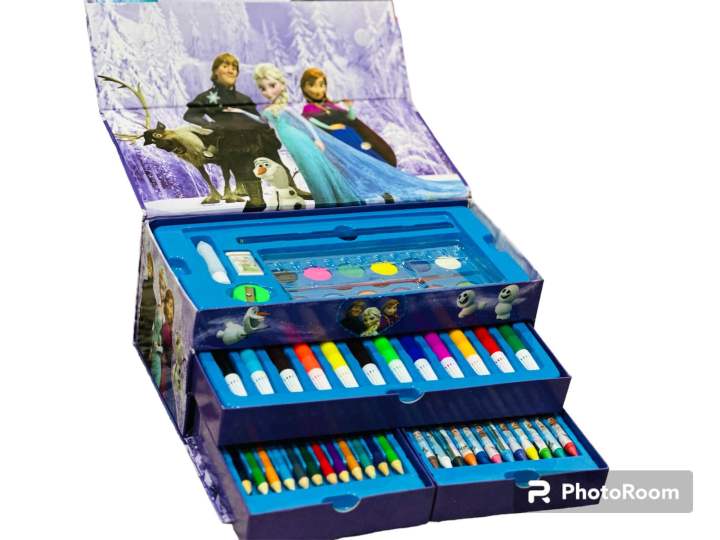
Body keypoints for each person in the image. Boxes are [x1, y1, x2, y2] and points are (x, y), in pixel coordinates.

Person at [185, 53, 289, 211]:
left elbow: (259, 119)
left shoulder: (243, 98)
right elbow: (190, 115)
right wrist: (212, 125)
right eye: (225, 66)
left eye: (234, 67)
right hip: (231, 143)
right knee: (243, 160)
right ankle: (256, 200)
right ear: (215, 71)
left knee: (270, 157)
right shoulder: (207, 97)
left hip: (256, 141)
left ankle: (288, 190)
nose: (231, 70)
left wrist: (268, 136)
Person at [253, 63, 363, 207]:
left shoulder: (284, 107)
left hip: (298, 140)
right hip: (285, 141)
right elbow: (260, 121)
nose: (267, 92)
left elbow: (304, 122)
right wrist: (240, 112)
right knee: (304, 170)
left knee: (312, 169)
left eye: (272, 86)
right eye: (262, 88)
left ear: (282, 85)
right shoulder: (269, 109)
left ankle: (327, 201)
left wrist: (316, 139)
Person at [301, 67, 397, 166]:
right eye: (312, 85)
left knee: (369, 156)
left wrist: (350, 107)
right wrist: (329, 127)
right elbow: (310, 120)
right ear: (304, 88)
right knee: (359, 160)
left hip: (354, 136)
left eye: (321, 85)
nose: (317, 90)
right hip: (339, 140)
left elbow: (351, 118)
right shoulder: (309, 108)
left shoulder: (331, 105)